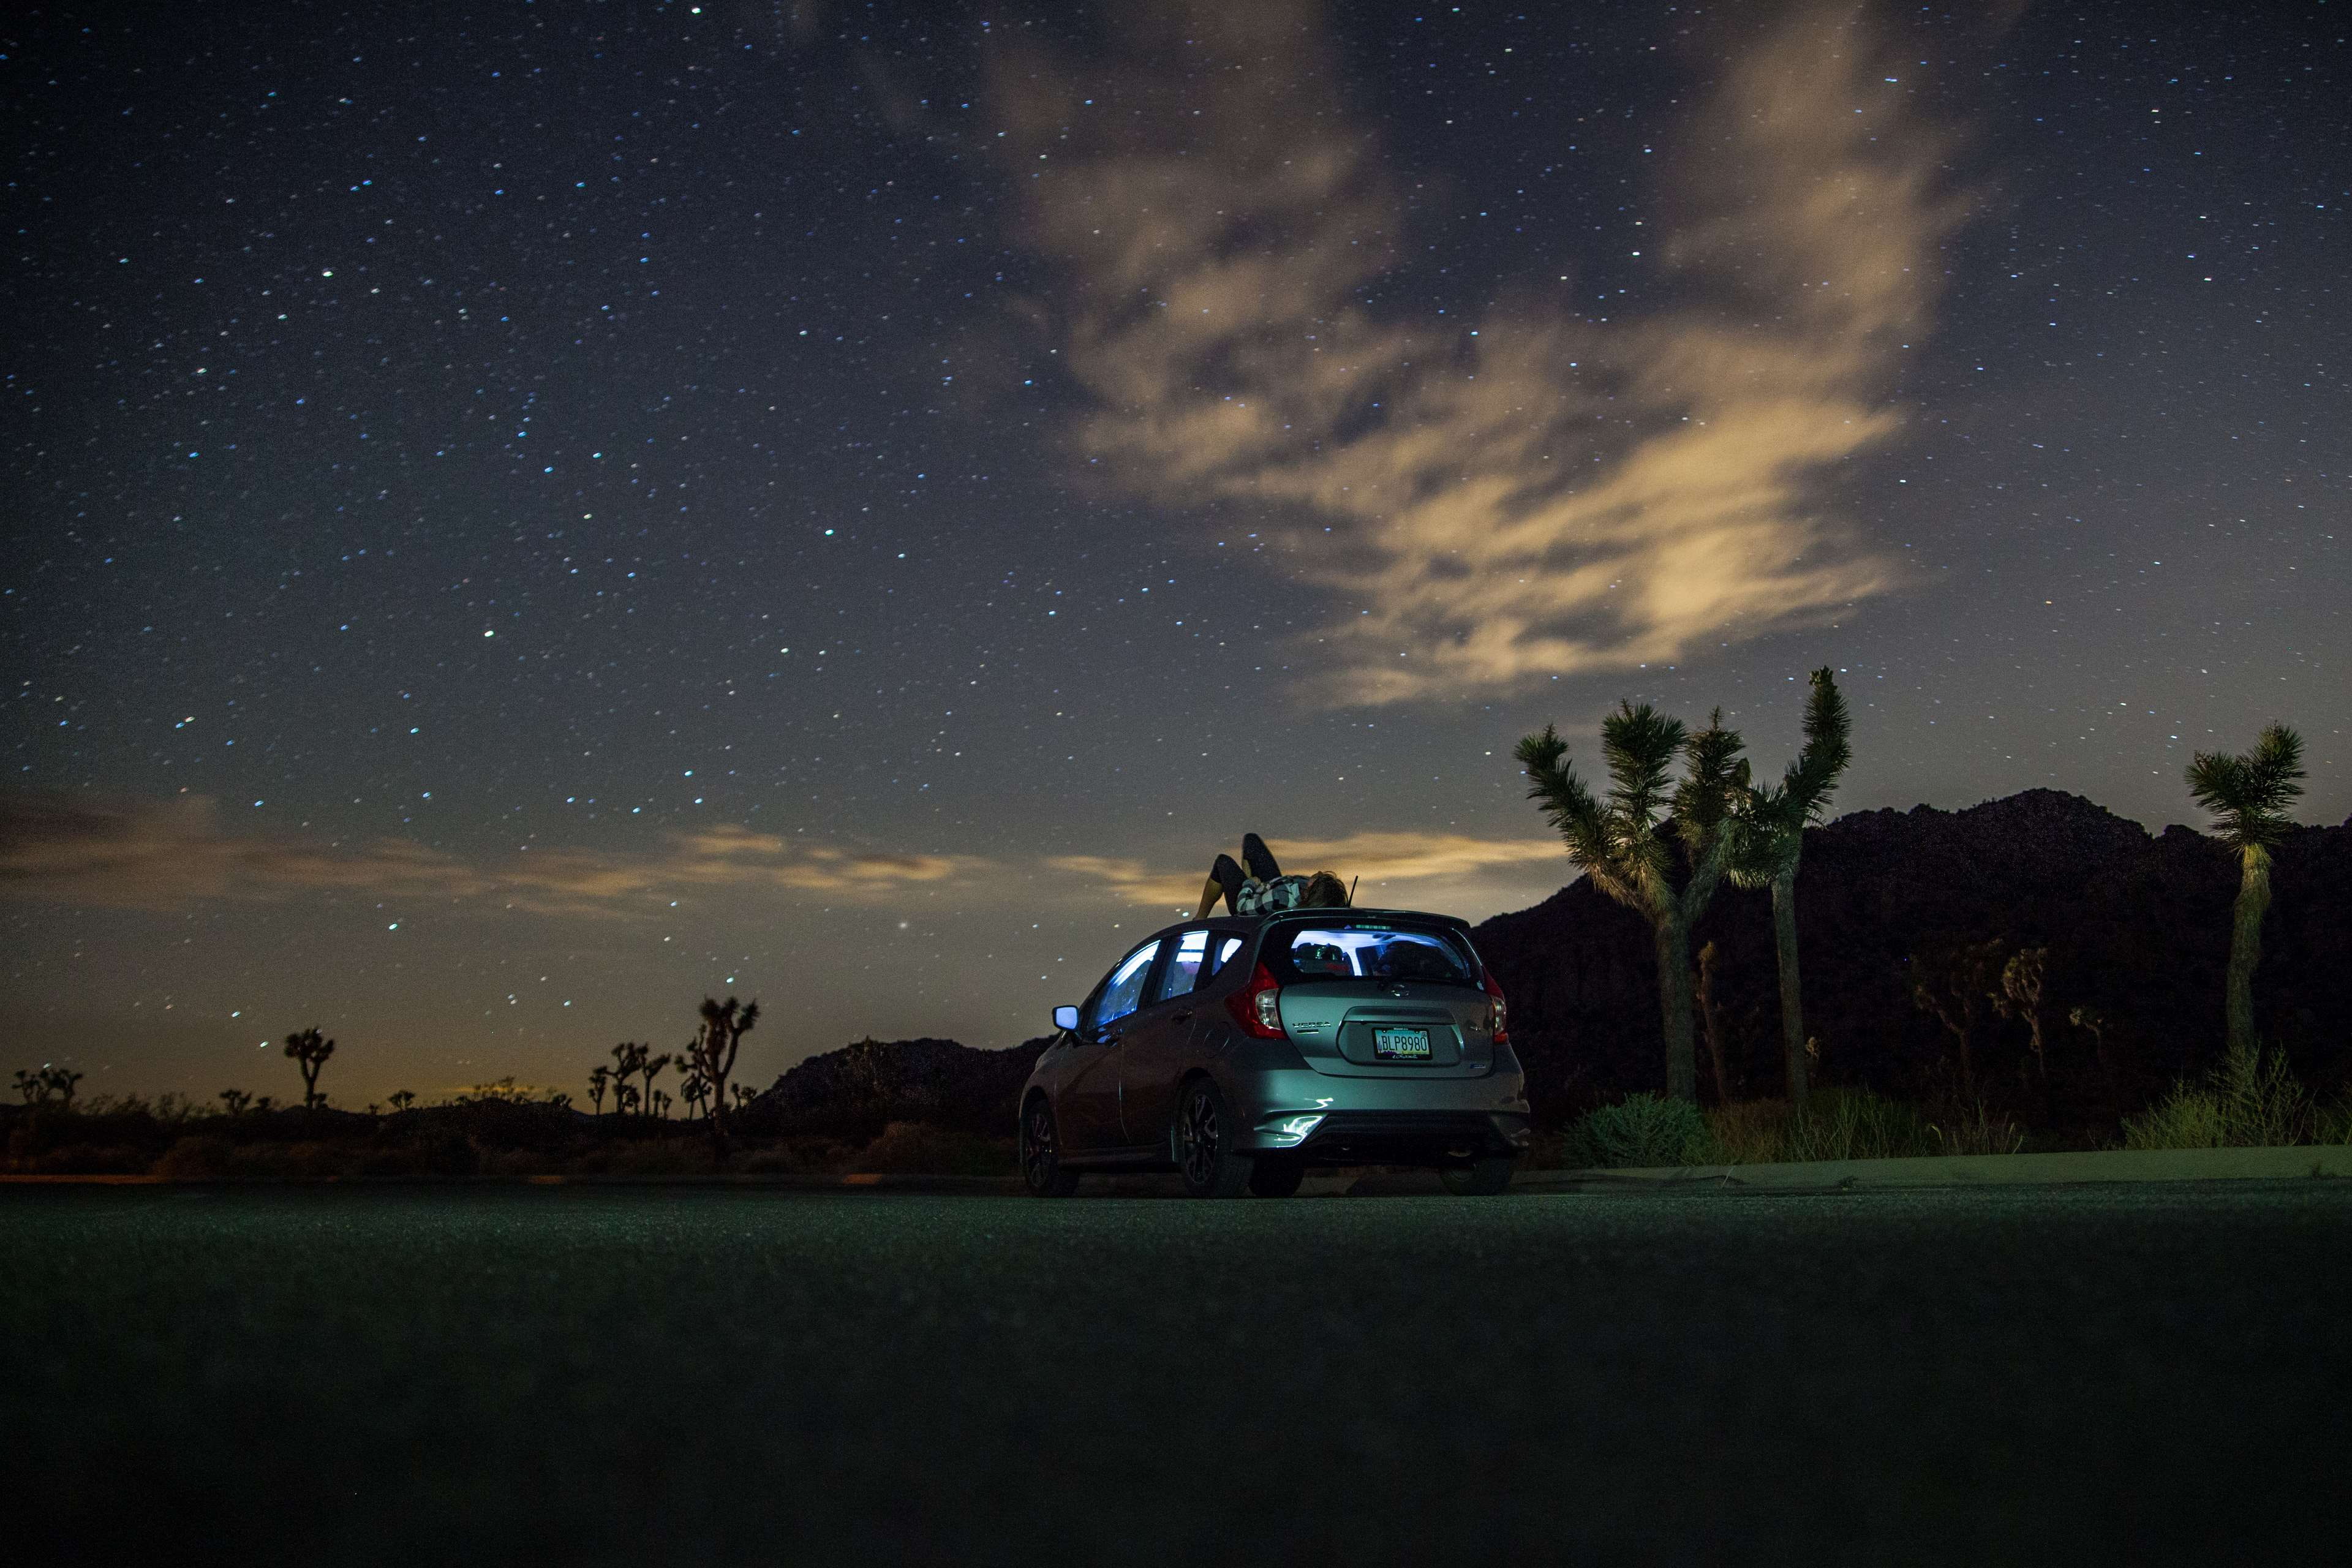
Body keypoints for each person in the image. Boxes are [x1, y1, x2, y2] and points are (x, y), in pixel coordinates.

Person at [1194, 833, 1351, 919]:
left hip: (1247, 902)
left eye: (1317, 878)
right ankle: (1252, 884)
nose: (1316, 874)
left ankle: (1199, 918)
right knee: (1252, 841)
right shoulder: (1308, 891)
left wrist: (1249, 884)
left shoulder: (1281, 899)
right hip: (1272, 886)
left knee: (1224, 863)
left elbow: (1242, 907)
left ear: (1311, 893)